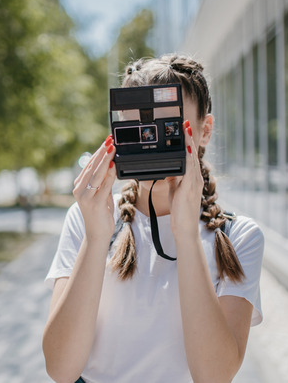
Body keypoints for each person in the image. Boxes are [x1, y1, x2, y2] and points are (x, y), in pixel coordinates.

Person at [42, 54, 265, 383]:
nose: (151, 141)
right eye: (138, 128)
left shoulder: (237, 236)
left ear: (204, 131)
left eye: (169, 128)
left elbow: (215, 376)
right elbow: (61, 369)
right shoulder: (89, 217)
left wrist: (187, 234)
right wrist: (96, 237)